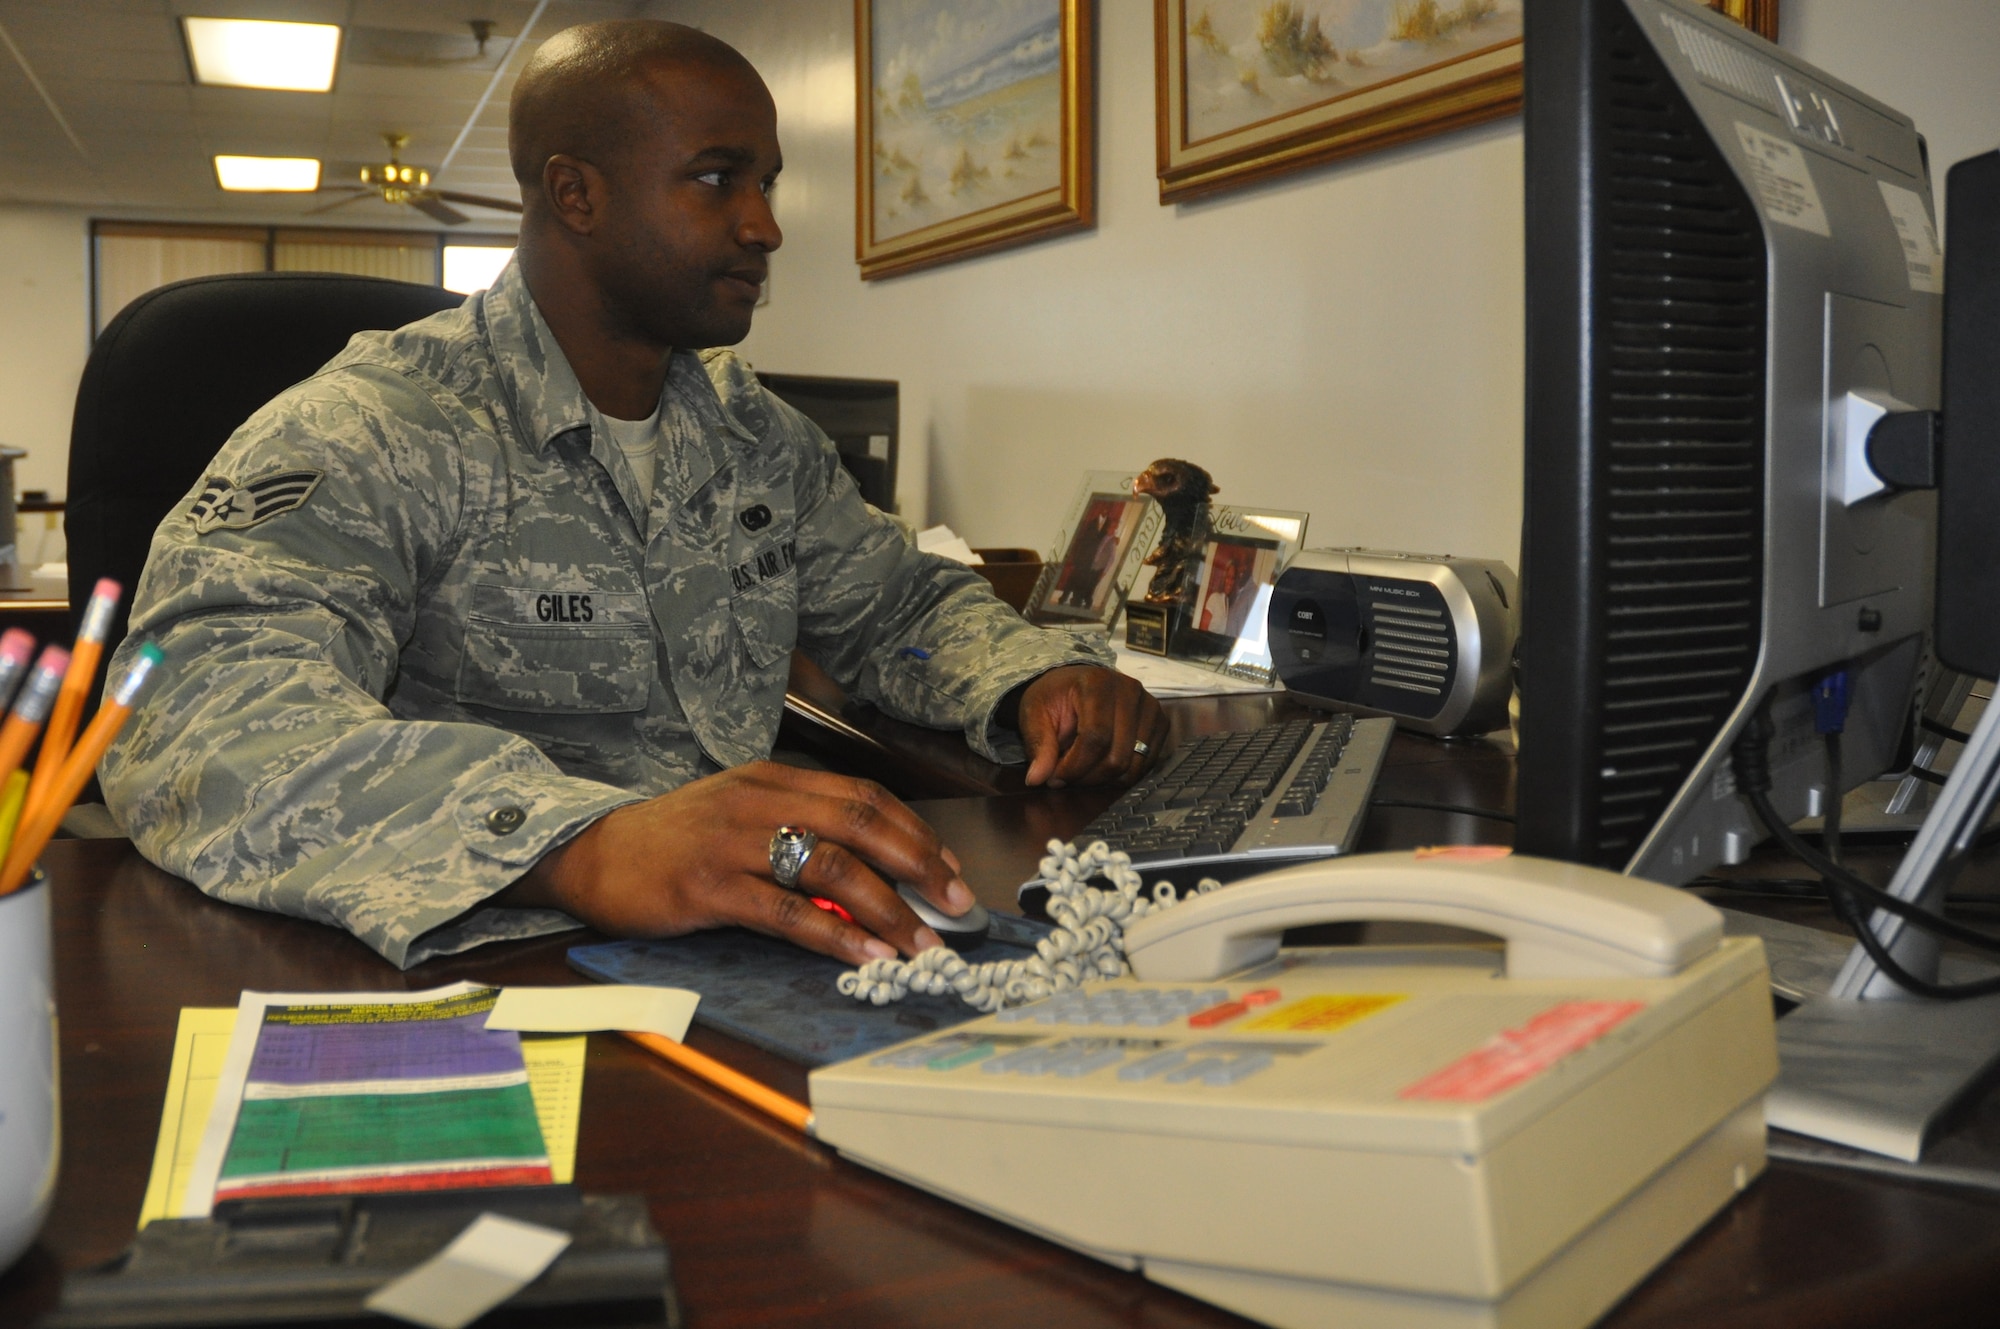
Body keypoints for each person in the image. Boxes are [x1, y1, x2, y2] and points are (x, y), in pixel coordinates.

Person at [97, 20, 1166, 971]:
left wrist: (1035, 678)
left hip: (756, 947)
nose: (764, 226)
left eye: (768, 183)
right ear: (576, 194)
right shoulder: (377, 425)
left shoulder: (753, 435)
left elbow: (897, 610)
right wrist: (575, 840)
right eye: (716, 178)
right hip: (492, 960)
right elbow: (191, 719)